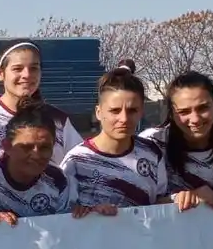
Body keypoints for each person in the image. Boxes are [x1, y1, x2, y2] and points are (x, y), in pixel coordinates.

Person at [140, 70, 213, 234]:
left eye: (203, 108)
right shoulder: (150, 144)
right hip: (157, 242)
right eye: (184, 112)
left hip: (209, 244)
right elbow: (136, 207)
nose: (195, 119)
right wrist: (177, 198)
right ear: (172, 113)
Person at [0, 102, 116, 224]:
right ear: (6, 146)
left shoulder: (59, 180)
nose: (36, 154)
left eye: (44, 147)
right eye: (26, 147)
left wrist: (90, 216)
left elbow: (66, 228)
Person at [0, 40, 83, 168]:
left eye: (34, 68)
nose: (26, 74)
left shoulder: (58, 120)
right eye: (17, 69)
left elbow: (79, 165)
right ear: (0, 73)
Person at [60, 68, 172, 210]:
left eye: (132, 110)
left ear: (141, 112)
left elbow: (161, 206)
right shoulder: (76, 161)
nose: (124, 119)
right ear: (99, 113)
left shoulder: (152, 153)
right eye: (115, 111)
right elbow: (63, 216)